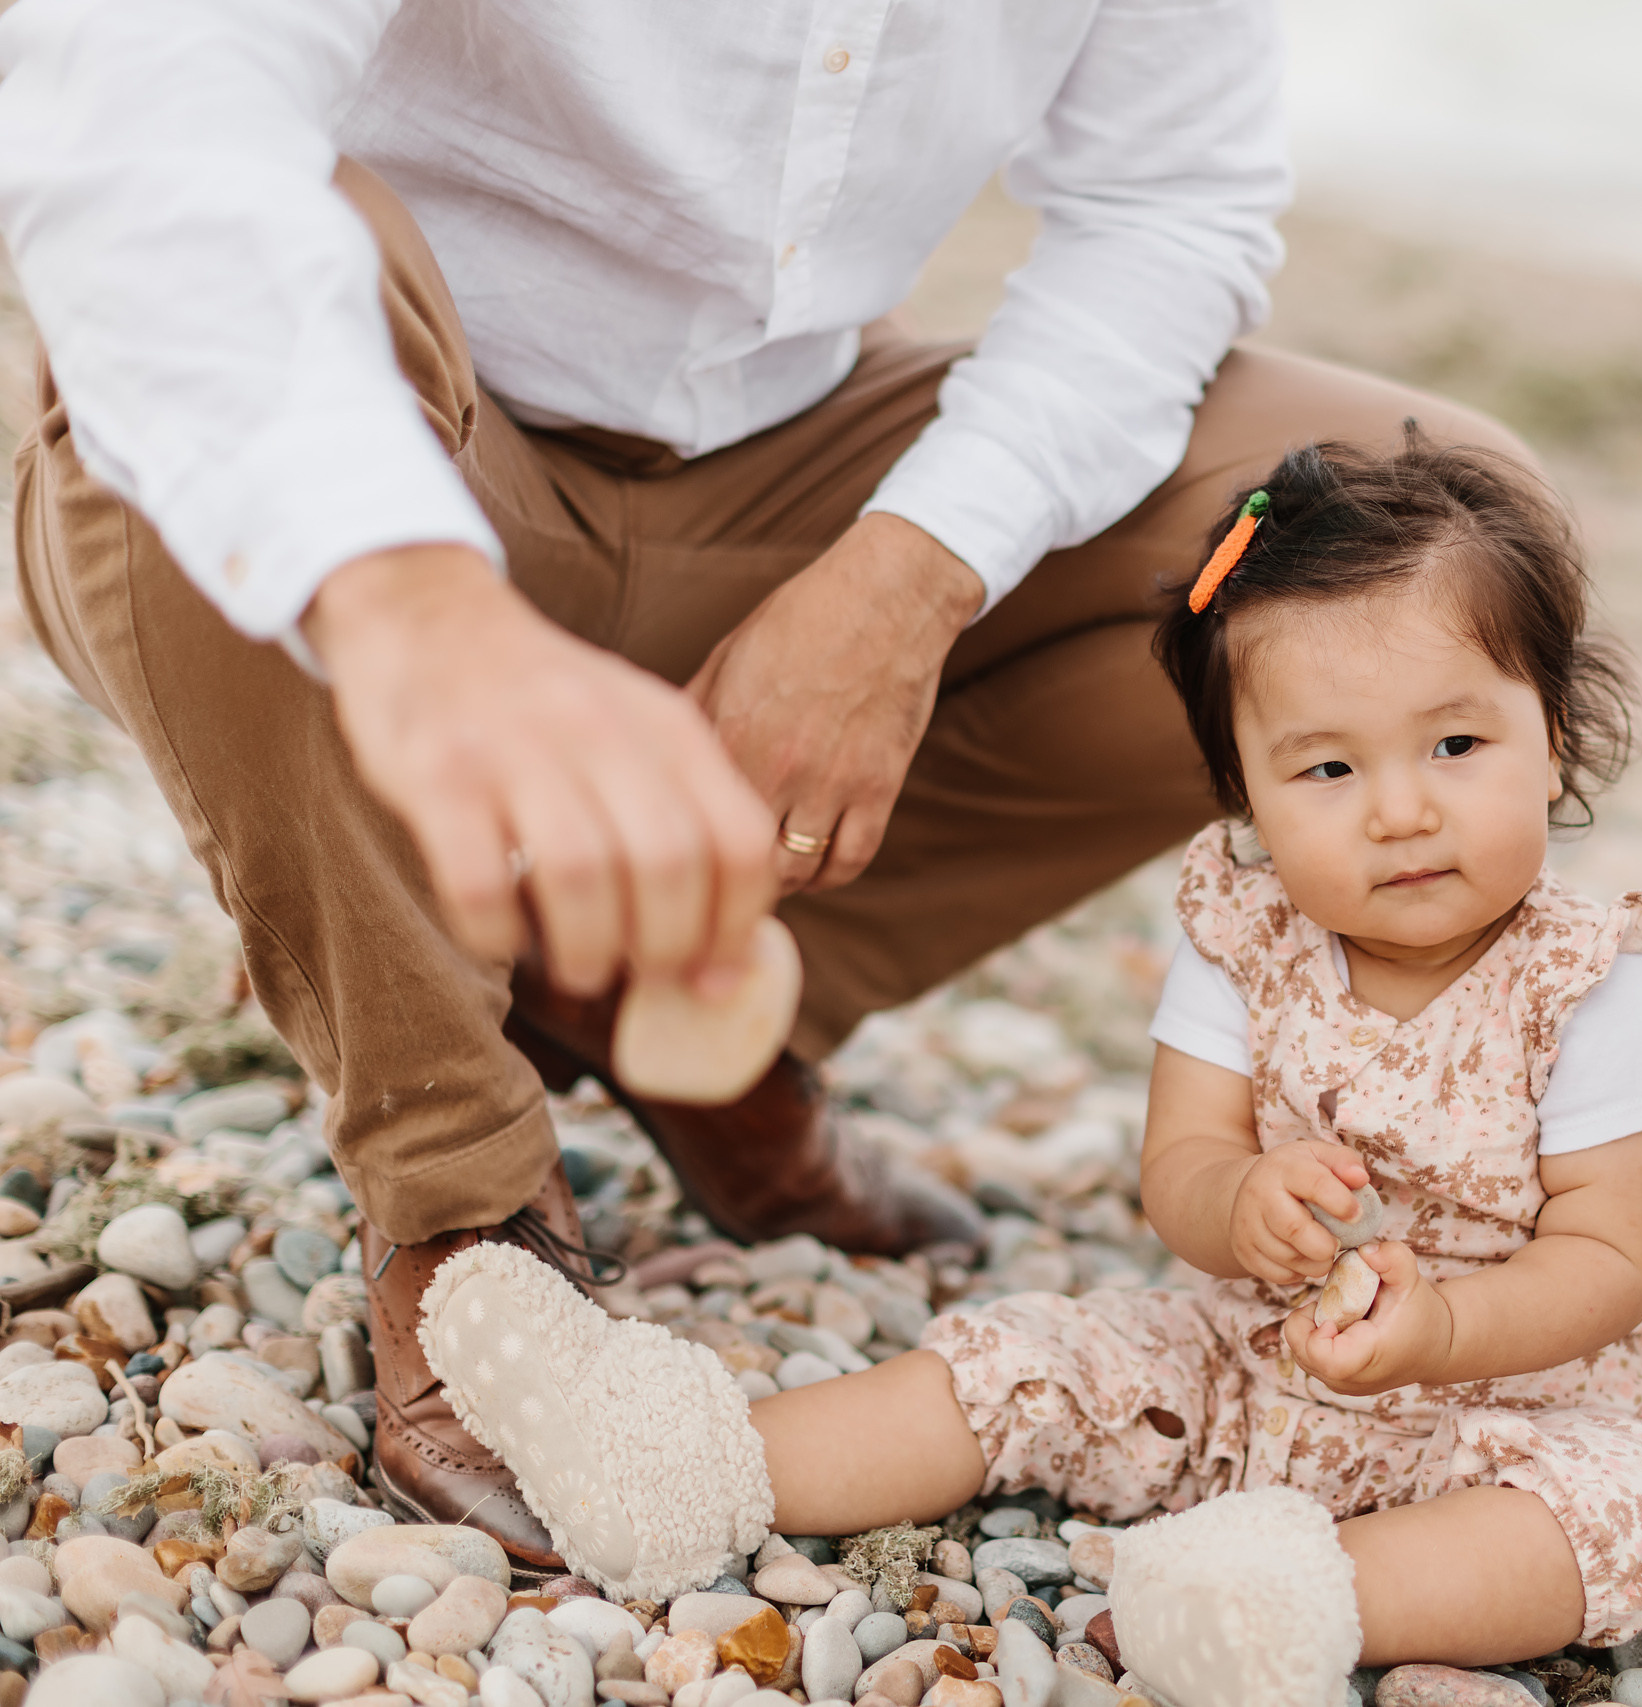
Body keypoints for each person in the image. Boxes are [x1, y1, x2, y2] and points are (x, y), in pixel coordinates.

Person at [0, 1, 1521, 1571]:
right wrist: (411, 601)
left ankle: (691, 994)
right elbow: (143, 107)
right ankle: (459, 1192)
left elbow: (1171, 209)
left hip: (780, 471)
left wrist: (912, 573)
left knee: (1423, 526)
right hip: (403, 434)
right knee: (209, 330)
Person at [405, 437, 1642, 1705]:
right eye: (1327, 766)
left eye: (1456, 746)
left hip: (1515, 1404)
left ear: (1553, 735)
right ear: (1244, 797)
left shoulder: (1593, 990)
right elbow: (1184, 1163)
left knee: (1626, 1517)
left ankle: (1288, 1601)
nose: (1401, 809)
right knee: (1033, 1363)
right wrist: (1239, 1203)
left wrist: (1443, 1332)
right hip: (1243, 1361)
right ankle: (691, 1462)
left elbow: (1611, 1259)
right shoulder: (1243, 946)